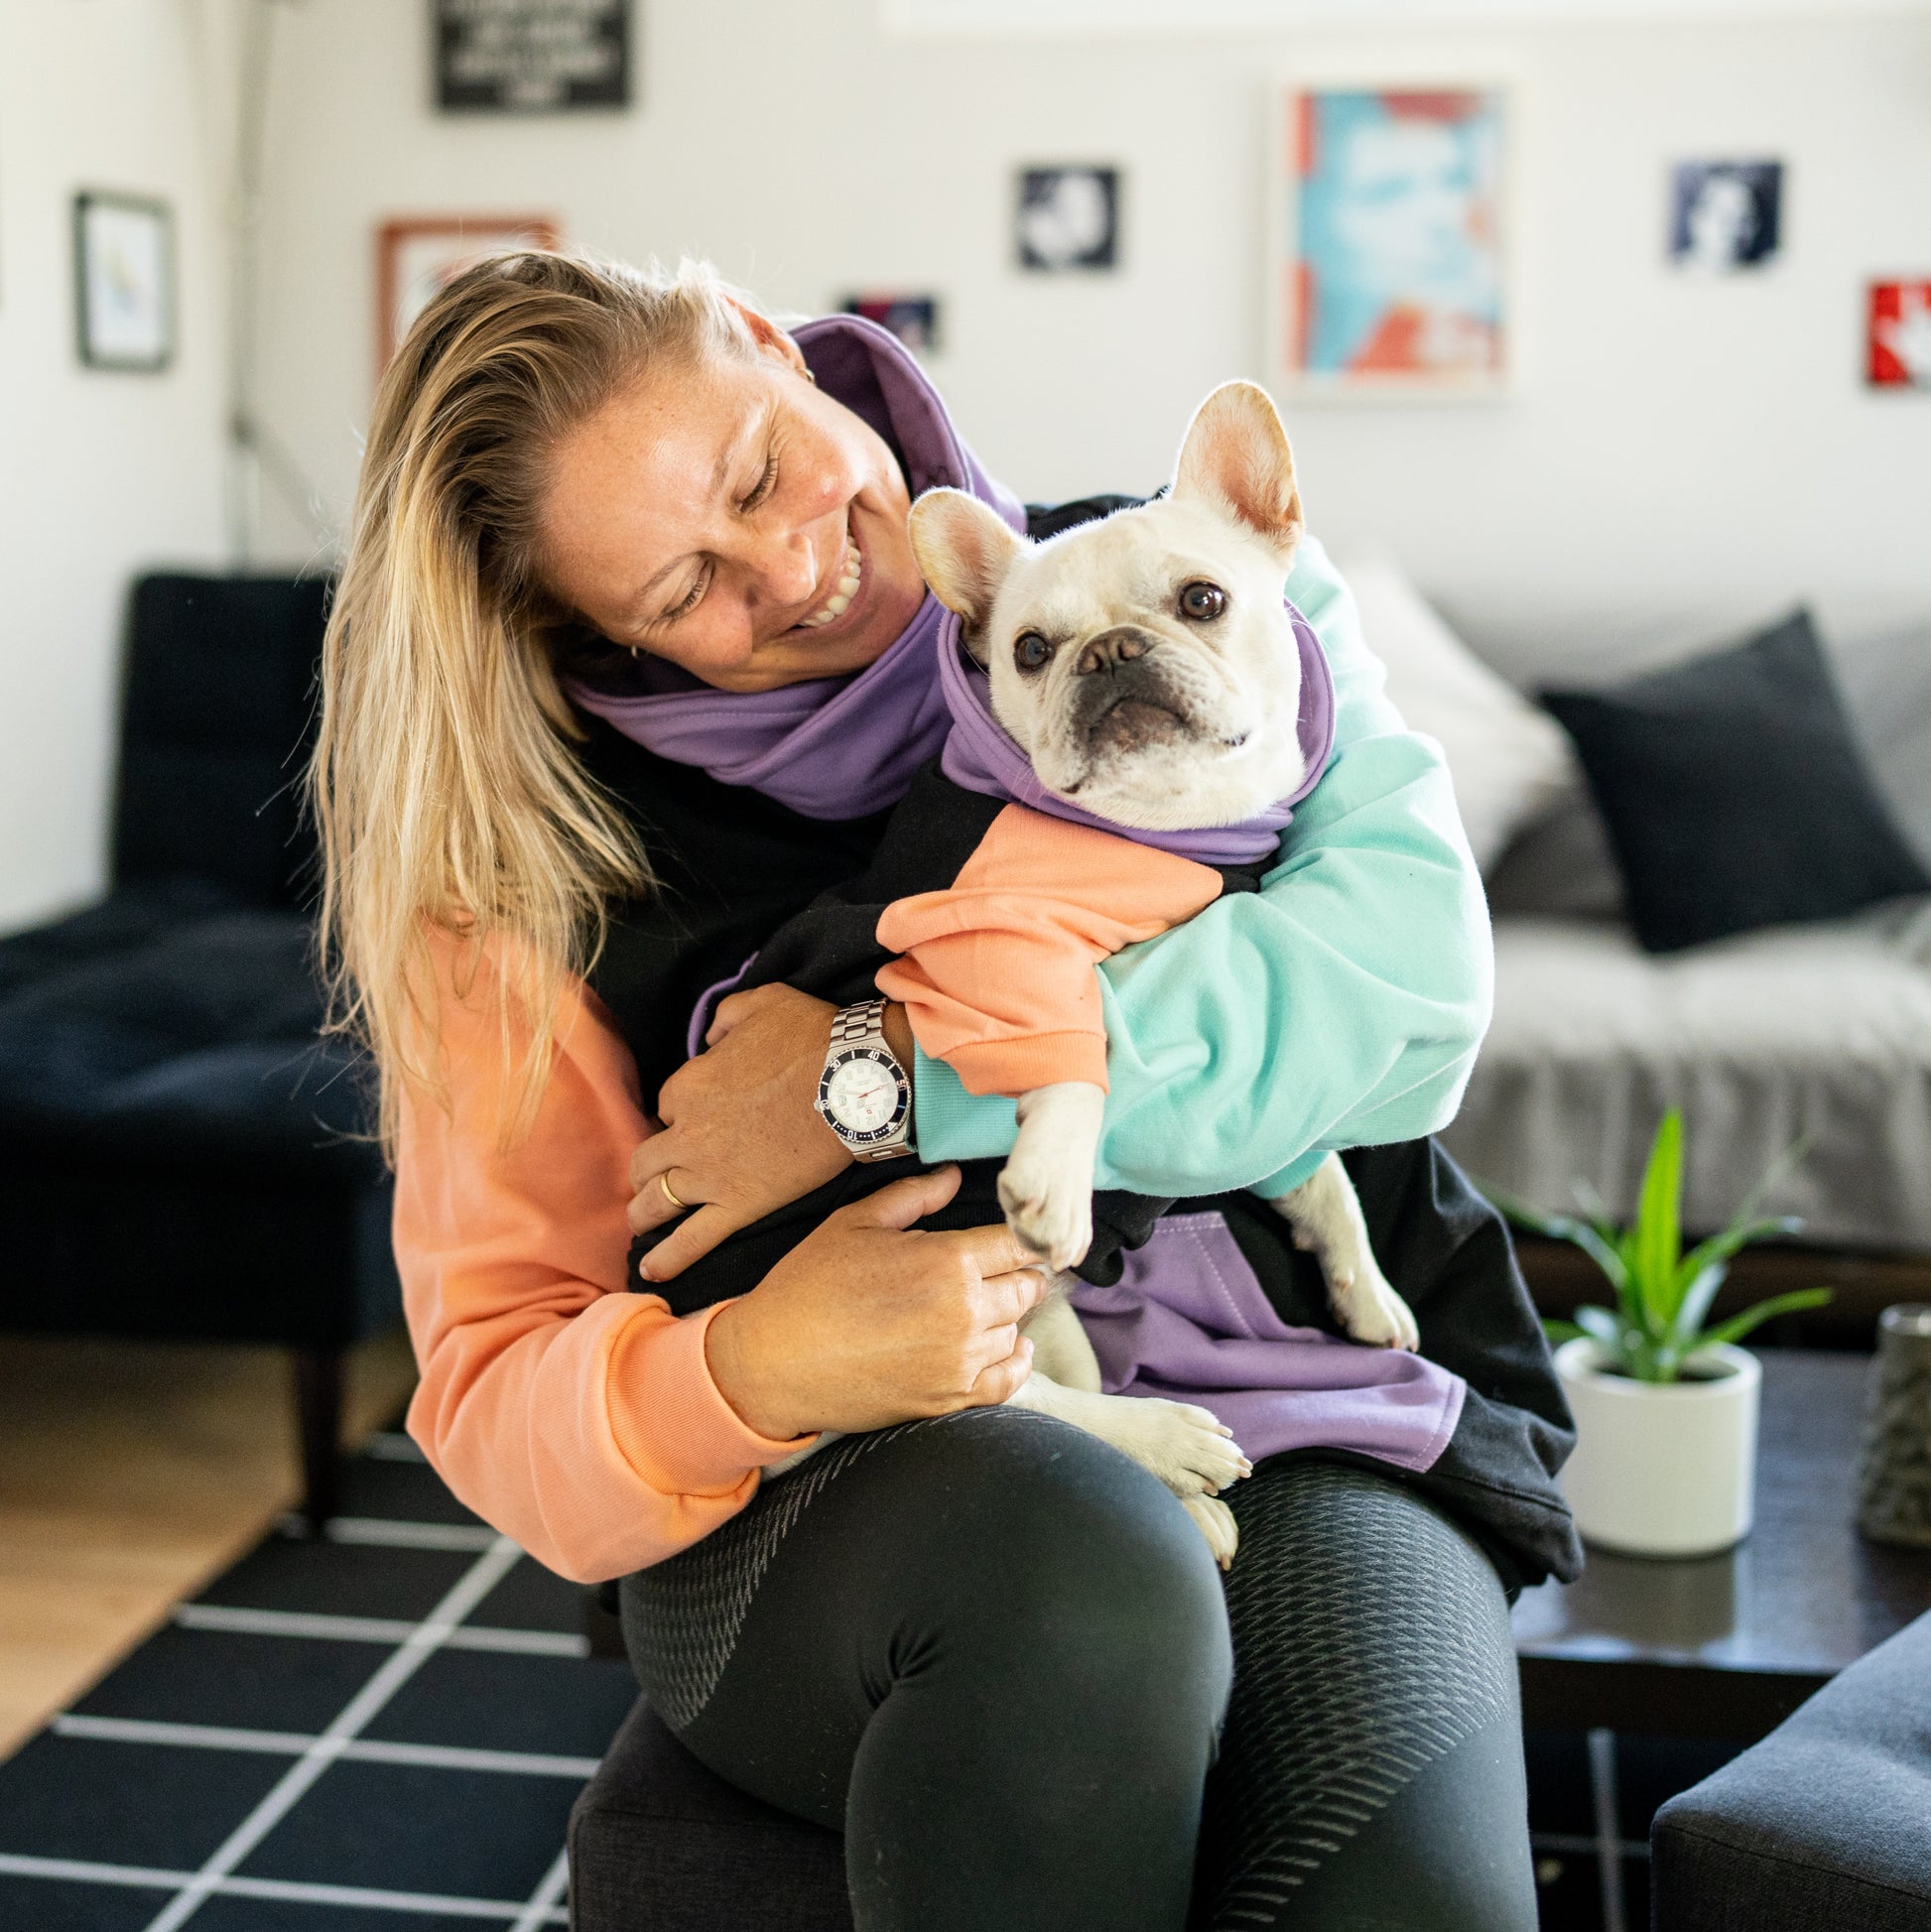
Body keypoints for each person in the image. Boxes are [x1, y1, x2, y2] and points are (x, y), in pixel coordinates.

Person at [312, 250, 1579, 1932]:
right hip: (844, 1483)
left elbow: (1405, 1007)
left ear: (779, 346)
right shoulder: (523, 877)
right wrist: (753, 1364)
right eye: (686, 583)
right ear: (582, 635)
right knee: (1082, 1574)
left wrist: (881, 1082)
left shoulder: (1199, 573)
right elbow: (489, 1390)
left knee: (1406, 1895)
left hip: (1317, 1385)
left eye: (762, 468)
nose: (788, 564)